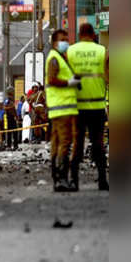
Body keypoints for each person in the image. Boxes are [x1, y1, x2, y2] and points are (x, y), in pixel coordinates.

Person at [68, 23, 109, 191]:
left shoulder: (70, 52)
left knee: (77, 143)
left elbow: (67, 79)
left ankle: (74, 181)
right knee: (98, 143)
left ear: (79, 34)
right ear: (93, 35)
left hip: (77, 106)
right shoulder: (102, 51)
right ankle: (102, 180)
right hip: (98, 105)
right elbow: (109, 77)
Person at [45, 29, 81, 192]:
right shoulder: (54, 58)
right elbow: (52, 79)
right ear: (54, 42)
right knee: (65, 142)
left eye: (67, 39)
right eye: (62, 40)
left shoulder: (59, 57)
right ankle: (61, 178)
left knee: (57, 143)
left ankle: (57, 178)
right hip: (62, 108)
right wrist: (69, 83)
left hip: (59, 108)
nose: (66, 42)